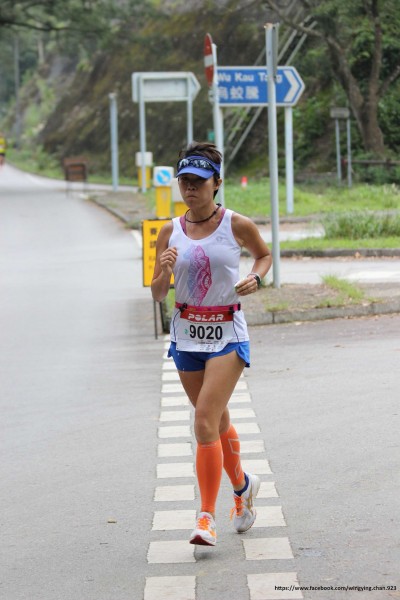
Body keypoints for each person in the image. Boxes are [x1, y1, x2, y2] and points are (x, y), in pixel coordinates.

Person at [151, 141, 272, 546]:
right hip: (186, 334)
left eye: (199, 181)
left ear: (216, 183)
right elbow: (157, 294)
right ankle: (243, 487)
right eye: (184, 181)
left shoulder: (236, 224)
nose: (190, 188)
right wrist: (163, 272)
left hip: (226, 334)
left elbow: (264, 256)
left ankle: (206, 517)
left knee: (203, 421)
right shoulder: (169, 230)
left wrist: (256, 277)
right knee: (216, 422)